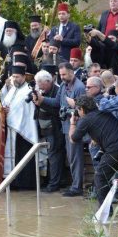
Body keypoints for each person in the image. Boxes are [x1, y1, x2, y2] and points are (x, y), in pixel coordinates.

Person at [33, 62, 86, 196]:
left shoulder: (79, 87)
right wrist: (42, 99)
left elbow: (82, 110)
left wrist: (71, 107)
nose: (61, 77)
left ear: (71, 72)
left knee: (75, 158)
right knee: (71, 157)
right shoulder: (63, 85)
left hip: (76, 127)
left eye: (64, 74)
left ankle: (77, 187)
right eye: (60, 74)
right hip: (66, 127)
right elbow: (56, 103)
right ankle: (75, 185)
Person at [70, 95, 118, 208]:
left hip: (116, 149)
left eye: (78, 110)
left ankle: (105, 213)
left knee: (100, 177)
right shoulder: (103, 112)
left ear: (82, 109)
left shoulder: (85, 120)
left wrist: (72, 123)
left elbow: (73, 139)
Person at [2, 65, 38, 189]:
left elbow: (26, 110)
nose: (14, 79)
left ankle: (25, 184)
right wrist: (5, 110)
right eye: (13, 77)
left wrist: (10, 113)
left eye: (17, 77)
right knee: (13, 156)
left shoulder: (28, 90)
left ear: (23, 77)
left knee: (23, 156)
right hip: (12, 129)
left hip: (23, 130)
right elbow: (7, 103)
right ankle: (13, 182)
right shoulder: (13, 89)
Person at [34, 70, 65, 192]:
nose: (39, 87)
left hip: (55, 129)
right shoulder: (44, 91)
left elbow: (57, 111)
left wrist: (42, 102)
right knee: (51, 156)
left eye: (40, 83)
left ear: (48, 81)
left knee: (54, 156)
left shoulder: (57, 91)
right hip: (45, 129)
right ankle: (54, 181)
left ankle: (54, 184)